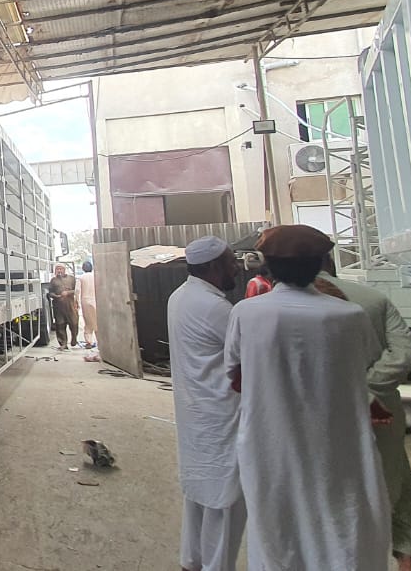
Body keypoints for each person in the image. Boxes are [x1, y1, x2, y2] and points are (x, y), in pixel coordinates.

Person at [225, 225, 392, 570]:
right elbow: (364, 363)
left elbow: (236, 377)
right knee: (340, 526)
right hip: (339, 446)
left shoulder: (246, 313)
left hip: (271, 444)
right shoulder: (349, 315)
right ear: (320, 264)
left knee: (276, 528)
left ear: (268, 265)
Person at [320, 257, 411, 571]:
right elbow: (407, 352)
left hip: (323, 411)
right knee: (395, 483)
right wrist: (367, 386)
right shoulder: (373, 298)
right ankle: (406, 556)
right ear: (328, 261)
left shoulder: (272, 306)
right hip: (381, 409)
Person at [167, 236, 245, 571]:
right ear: (213, 266)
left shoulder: (179, 296)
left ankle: (191, 561)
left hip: (196, 413)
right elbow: (250, 357)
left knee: (199, 493)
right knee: (224, 499)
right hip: (221, 415)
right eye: (231, 263)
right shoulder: (217, 308)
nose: (237, 269)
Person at [47, 263, 80, 350]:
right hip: (58, 305)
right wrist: (56, 296)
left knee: (74, 323)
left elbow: (76, 290)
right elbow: (50, 293)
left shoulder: (71, 279)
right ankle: (63, 343)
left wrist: (67, 293)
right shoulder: (53, 280)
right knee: (60, 324)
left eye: (61, 269)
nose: (59, 271)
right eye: (57, 269)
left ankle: (74, 338)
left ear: (64, 270)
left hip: (70, 304)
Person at [77, 260, 98, 348]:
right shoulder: (96, 276)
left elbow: (77, 291)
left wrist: (77, 302)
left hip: (85, 301)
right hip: (96, 300)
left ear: (83, 268)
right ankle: (100, 341)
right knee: (97, 321)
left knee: (88, 322)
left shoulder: (81, 278)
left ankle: (89, 342)